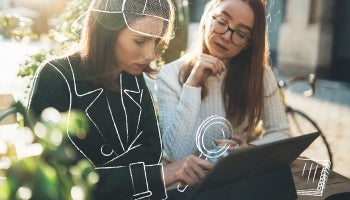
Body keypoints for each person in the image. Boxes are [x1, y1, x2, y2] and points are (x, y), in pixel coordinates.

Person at [27, 0, 212, 199]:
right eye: (140, 41)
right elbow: (59, 179)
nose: (150, 55)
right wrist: (152, 175)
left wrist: (109, 176)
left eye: (155, 41)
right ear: (107, 32)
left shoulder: (131, 77)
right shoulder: (56, 76)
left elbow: (151, 150)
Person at [156, 0, 290, 161]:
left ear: (248, 43)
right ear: (208, 16)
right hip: (186, 185)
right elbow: (176, 155)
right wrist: (192, 84)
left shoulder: (259, 74)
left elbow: (281, 132)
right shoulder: (169, 75)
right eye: (222, 22)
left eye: (241, 34)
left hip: (232, 179)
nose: (227, 36)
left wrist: (250, 150)